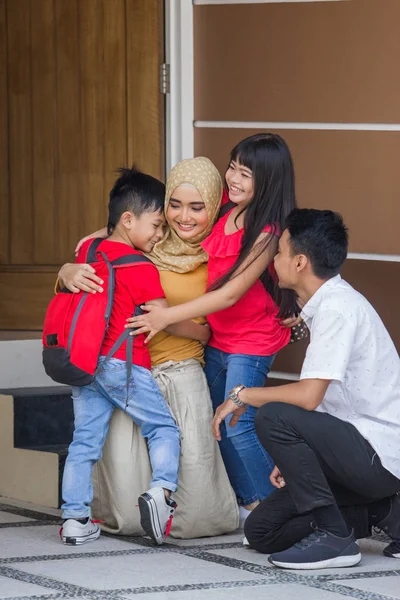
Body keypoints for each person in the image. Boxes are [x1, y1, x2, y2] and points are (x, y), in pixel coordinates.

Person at [58, 157, 239, 539]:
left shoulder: (222, 255)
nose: (181, 218)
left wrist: (165, 320)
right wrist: (65, 272)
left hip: (145, 367)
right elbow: (85, 272)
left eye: (196, 206)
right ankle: (156, 496)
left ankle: (75, 517)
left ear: (213, 203)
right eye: (173, 206)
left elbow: (211, 327)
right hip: (127, 368)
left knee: (86, 441)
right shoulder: (140, 252)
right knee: (151, 454)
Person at [211, 208, 400, 570]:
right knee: (262, 531)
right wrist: (298, 462)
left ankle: (336, 539)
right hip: (356, 453)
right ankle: (385, 511)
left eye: (279, 253)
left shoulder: (338, 308)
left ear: (299, 262)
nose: (274, 261)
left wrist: (243, 395)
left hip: (378, 457)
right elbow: (334, 401)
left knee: (273, 416)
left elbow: (309, 396)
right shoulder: (327, 305)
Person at [128, 134, 299, 522]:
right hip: (219, 339)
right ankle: (250, 501)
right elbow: (152, 218)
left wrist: (166, 316)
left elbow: (228, 295)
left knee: (237, 423)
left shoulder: (267, 232)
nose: (235, 179)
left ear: (269, 180)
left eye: (246, 174)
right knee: (215, 423)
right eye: (233, 168)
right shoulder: (224, 211)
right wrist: (100, 237)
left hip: (251, 343)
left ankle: (277, 509)